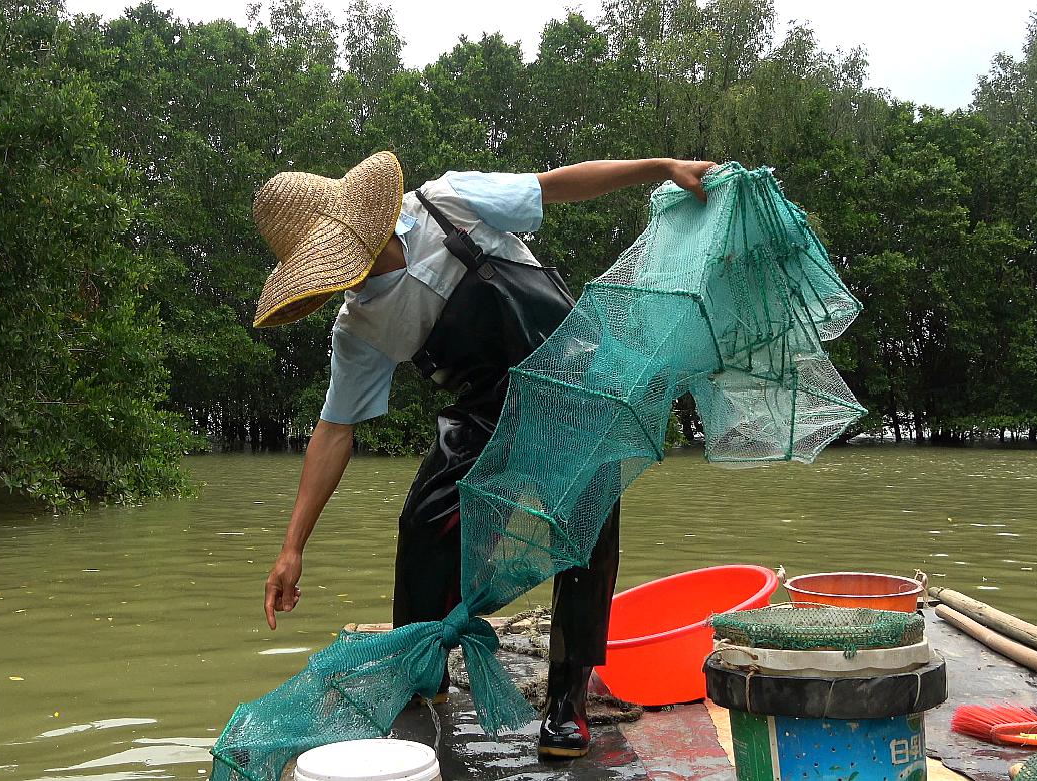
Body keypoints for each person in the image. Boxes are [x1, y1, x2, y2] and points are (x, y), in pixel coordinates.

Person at [251, 151, 715, 758]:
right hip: (485, 404)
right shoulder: (358, 326)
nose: (347, 281)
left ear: (365, 228)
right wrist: (292, 548)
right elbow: (334, 430)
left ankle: (567, 702)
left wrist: (660, 167)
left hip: (571, 373)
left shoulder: (448, 203)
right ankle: (420, 678)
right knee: (423, 521)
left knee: (587, 526)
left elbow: (558, 186)